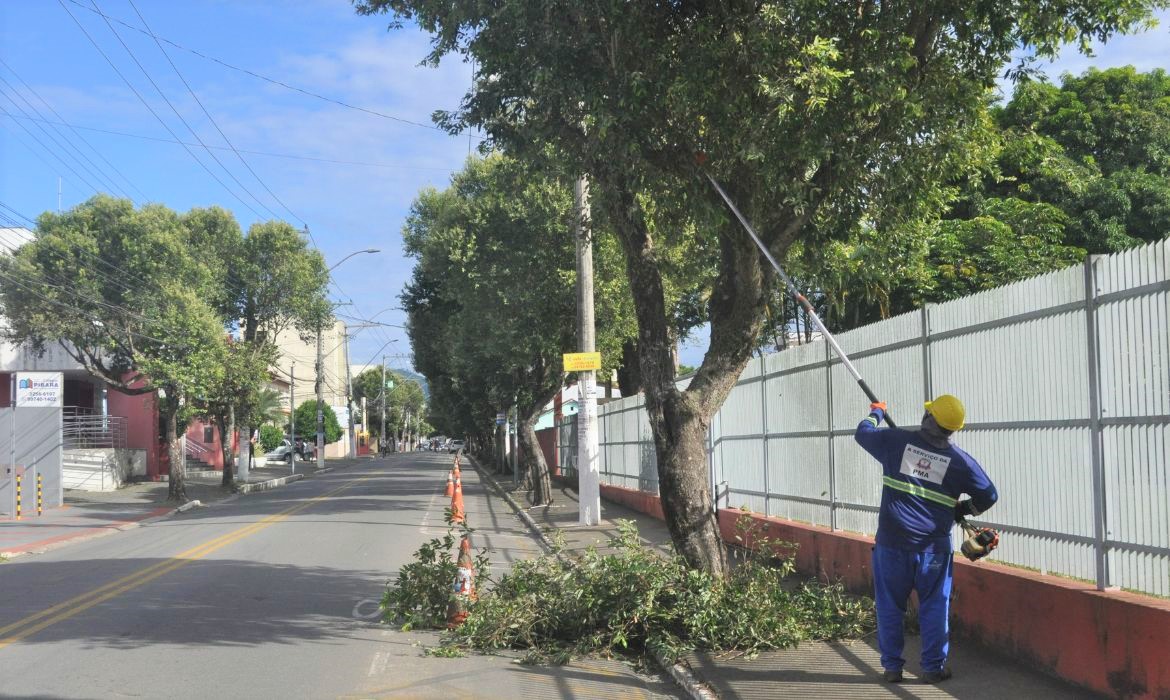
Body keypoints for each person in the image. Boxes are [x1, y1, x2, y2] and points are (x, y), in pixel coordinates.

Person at [854, 394, 998, 685]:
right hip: (934, 549)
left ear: (929, 418)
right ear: (952, 428)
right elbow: (989, 495)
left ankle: (892, 668)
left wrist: (877, 412)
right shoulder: (961, 463)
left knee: (890, 606)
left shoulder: (895, 442)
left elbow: (863, 433)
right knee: (934, 606)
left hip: (892, 545)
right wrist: (962, 509)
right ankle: (933, 668)